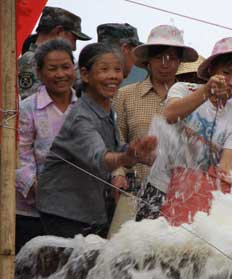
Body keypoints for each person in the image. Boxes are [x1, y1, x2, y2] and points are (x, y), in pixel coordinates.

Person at [136, 37, 232, 221]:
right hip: (159, 187)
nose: (231, 82)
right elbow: (170, 114)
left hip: (193, 195)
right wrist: (207, 90)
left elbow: (227, 166)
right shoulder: (183, 89)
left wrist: (229, 187)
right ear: (212, 71)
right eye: (226, 73)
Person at [36, 43, 157, 238]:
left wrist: (139, 154)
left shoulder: (105, 109)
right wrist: (127, 157)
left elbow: (115, 147)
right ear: (85, 75)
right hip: (63, 210)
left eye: (117, 69)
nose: (113, 76)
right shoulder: (81, 118)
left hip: (87, 207)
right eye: (104, 69)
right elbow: (101, 158)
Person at [112, 25, 198, 196]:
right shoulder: (125, 95)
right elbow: (115, 140)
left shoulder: (192, 98)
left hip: (180, 194)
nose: (165, 64)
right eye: (159, 57)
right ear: (148, 61)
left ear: (180, 62)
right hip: (133, 190)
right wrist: (118, 174)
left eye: (172, 58)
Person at [15, 39, 77, 252]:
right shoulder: (27, 108)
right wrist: (37, 186)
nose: (60, 74)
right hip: (31, 212)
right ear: (40, 73)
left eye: (65, 67)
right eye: (52, 69)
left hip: (75, 211)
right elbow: (20, 154)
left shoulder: (85, 107)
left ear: (74, 68)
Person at [18, 6, 91, 100]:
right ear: (59, 32)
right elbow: (32, 105)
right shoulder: (30, 60)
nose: (74, 47)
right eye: (74, 39)